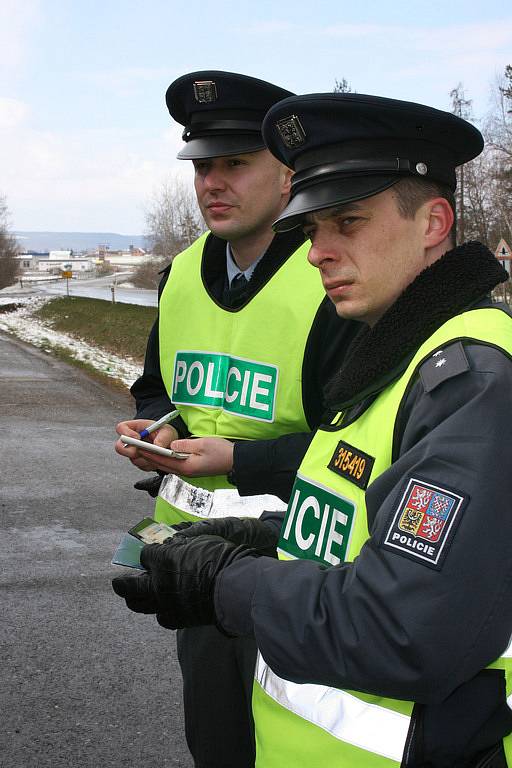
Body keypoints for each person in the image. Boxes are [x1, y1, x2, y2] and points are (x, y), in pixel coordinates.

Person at [113, 92, 512, 767]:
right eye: (314, 227)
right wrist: (264, 539)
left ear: (433, 223)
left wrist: (226, 582)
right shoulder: (394, 353)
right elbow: (362, 525)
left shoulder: (470, 379)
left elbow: (405, 626)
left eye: (347, 223)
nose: (316, 253)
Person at [114, 72, 361, 768]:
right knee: (218, 739)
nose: (212, 183)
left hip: (301, 561)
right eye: (202, 166)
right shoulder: (182, 273)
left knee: (304, 739)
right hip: (198, 560)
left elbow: (362, 445)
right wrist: (156, 428)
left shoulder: (331, 278)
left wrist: (238, 460)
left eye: (235, 164)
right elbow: (155, 387)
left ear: (288, 174)